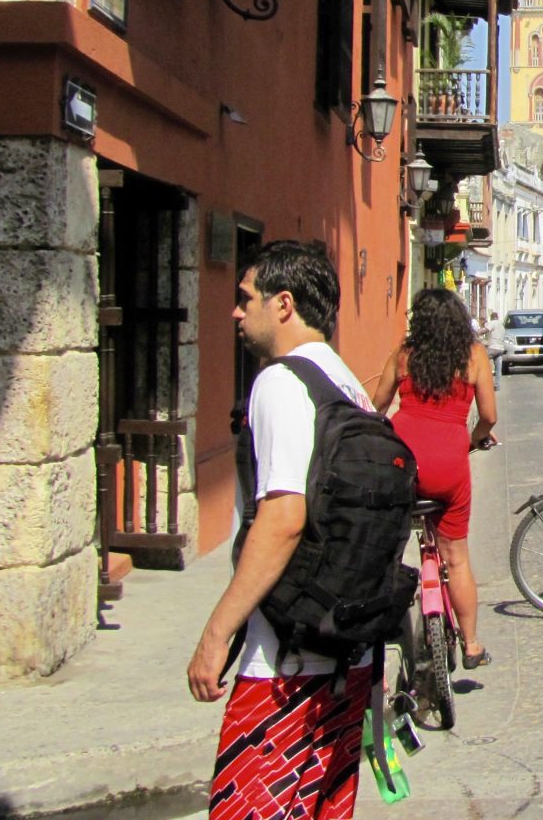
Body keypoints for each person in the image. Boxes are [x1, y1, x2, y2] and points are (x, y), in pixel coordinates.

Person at [187, 240, 375, 820]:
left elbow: (284, 518)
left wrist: (218, 632)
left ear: (284, 303)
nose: (237, 313)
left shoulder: (280, 384)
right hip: (351, 655)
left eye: (247, 299)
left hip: (284, 665)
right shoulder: (350, 386)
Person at [373, 288, 498, 670]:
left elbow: (377, 405)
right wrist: (475, 439)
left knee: (385, 547)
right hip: (449, 463)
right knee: (457, 558)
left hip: (402, 461)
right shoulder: (474, 355)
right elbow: (489, 416)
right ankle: (472, 643)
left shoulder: (405, 353)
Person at [484, 309, 507, 388]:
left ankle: (485, 383)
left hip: (493, 347)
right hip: (501, 348)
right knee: (498, 368)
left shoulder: (493, 323)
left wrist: (476, 333)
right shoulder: (502, 325)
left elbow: (485, 330)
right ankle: (497, 385)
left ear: (491, 318)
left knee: (482, 360)